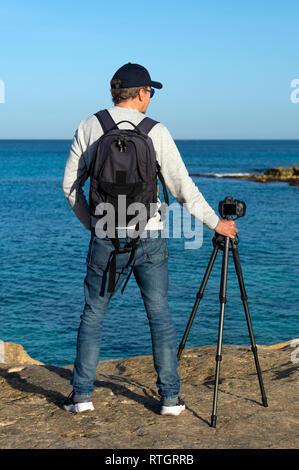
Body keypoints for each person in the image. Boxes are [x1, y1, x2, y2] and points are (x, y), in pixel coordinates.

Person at [62, 62, 238, 415]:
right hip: (150, 237)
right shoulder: (156, 131)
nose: (151, 98)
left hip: (105, 236)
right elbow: (182, 189)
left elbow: (69, 186)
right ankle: (169, 399)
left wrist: (95, 224)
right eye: (150, 92)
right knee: (158, 313)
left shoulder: (89, 125)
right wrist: (215, 223)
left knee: (93, 313)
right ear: (141, 93)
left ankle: (82, 396)